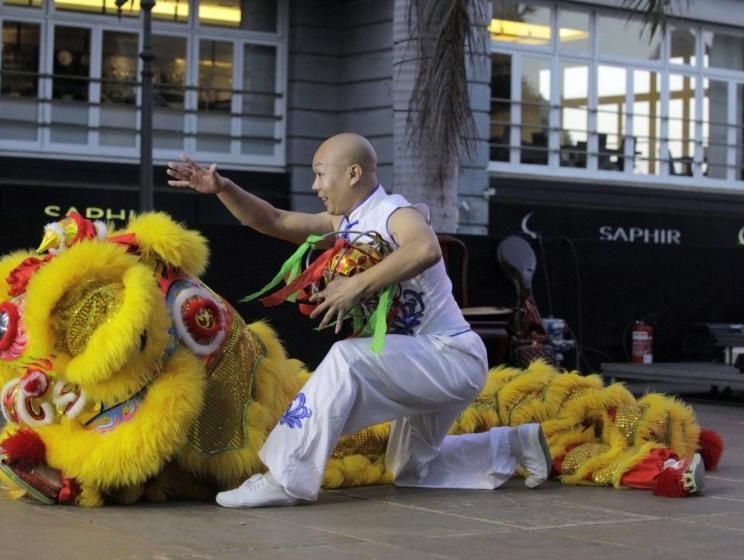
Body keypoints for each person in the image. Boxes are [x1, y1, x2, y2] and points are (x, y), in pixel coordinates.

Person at [166, 132, 552, 508]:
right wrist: (223, 188)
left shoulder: (396, 213)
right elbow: (274, 220)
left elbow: (426, 247)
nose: (316, 185)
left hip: (451, 356)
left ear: (352, 174)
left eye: (320, 173)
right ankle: (514, 445)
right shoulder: (346, 224)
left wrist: (356, 286)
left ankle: (285, 478)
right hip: (420, 359)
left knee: (346, 358)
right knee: (411, 468)